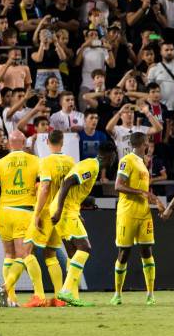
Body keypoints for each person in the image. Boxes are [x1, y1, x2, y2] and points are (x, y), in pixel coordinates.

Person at [51, 142, 117, 306]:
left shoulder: (89, 165)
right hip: (65, 210)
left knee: (73, 255)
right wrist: (59, 209)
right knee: (85, 248)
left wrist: (82, 206)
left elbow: (73, 189)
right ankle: (66, 291)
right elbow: (67, 183)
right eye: (114, 156)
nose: (115, 159)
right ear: (109, 156)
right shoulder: (92, 166)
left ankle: (72, 297)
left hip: (69, 209)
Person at [0, 131, 42, 308]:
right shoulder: (35, 160)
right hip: (23, 212)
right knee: (24, 255)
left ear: (9, 144)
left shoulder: (0, 163)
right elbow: (44, 183)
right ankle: (9, 288)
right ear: (24, 143)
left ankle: (11, 298)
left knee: (8, 254)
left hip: (4, 212)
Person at [23, 130, 74, 308]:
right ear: (62, 142)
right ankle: (61, 297)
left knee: (26, 252)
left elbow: (44, 188)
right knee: (50, 254)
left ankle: (39, 296)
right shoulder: (70, 162)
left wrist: (36, 214)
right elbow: (73, 190)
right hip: (61, 214)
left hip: (46, 213)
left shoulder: (46, 162)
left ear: (47, 143)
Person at [110, 132, 159, 306]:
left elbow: (143, 189)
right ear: (144, 143)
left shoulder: (143, 163)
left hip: (144, 213)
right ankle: (117, 294)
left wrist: (153, 199)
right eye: (148, 142)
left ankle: (150, 294)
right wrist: (142, 193)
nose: (149, 144)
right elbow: (118, 185)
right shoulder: (127, 160)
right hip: (128, 213)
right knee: (124, 252)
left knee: (147, 250)